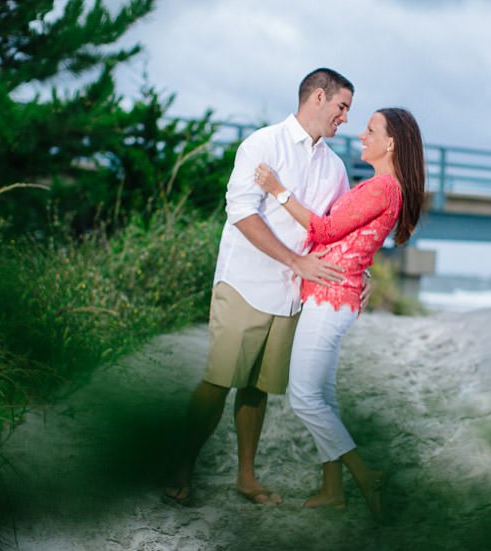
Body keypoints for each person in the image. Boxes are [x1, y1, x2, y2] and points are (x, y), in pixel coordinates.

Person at [165, 68, 362, 505]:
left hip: (292, 294)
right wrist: (294, 259)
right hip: (245, 283)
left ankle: (246, 478)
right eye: (342, 106)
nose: (345, 117)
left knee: (256, 388)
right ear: (317, 97)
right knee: (219, 380)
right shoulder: (262, 144)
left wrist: (356, 269)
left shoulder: (335, 166)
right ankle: (180, 469)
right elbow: (241, 212)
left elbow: (336, 230)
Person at [254, 107, 425, 520]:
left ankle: (365, 475)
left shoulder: (383, 188)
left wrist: (278, 190)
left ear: (391, 143)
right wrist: (362, 272)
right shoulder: (384, 187)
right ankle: (332, 489)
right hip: (336, 295)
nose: (361, 135)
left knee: (305, 397)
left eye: (370, 130)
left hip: (330, 300)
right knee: (324, 397)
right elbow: (357, 242)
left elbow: (325, 231)